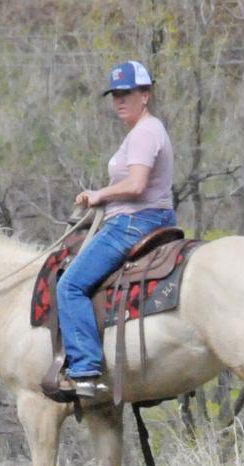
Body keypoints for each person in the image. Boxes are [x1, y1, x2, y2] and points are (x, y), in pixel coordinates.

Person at [57, 60, 178, 399]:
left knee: (70, 286)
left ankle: (84, 369)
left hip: (132, 223)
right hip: (151, 218)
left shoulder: (144, 132)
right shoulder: (148, 131)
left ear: (145, 95)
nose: (119, 101)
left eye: (127, 93)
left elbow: (137, 185)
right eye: (115, 95)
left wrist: (99, 195)